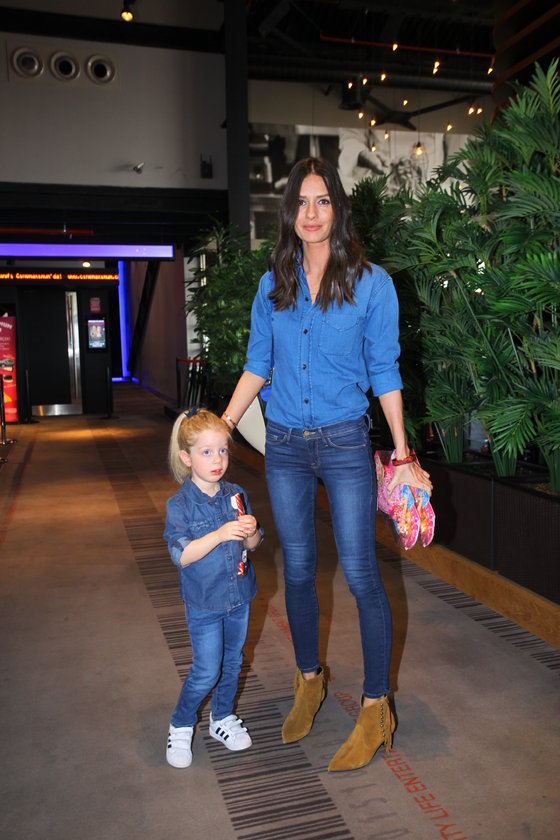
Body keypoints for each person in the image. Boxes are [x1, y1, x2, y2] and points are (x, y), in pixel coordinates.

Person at [221, 156, 432, 772]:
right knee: (297, 570)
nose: (311, 214)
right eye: (301, 202)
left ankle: (375, 706)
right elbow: (258, 363)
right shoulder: (274, 284)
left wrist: (402, 451)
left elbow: (385, 371)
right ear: (288, 212)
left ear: (337, 209)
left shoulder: (371, 283)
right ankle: (309, 681)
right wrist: (222, 427)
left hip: (344, 443)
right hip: (285, 444)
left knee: (362, 574)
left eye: (322, 201)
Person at [163, 407, 263, 768]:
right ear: (186, 457)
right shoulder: (180, 505)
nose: (217, 459)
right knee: (206, 669)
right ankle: (181, 722)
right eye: (206, 452)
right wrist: (219, 534)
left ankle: (221, 716)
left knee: (233, 662)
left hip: (239, 596)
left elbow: (253, 544)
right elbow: (182, 555)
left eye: (222, 450)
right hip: (205, 602)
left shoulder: (236, 494)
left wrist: (250, 530)